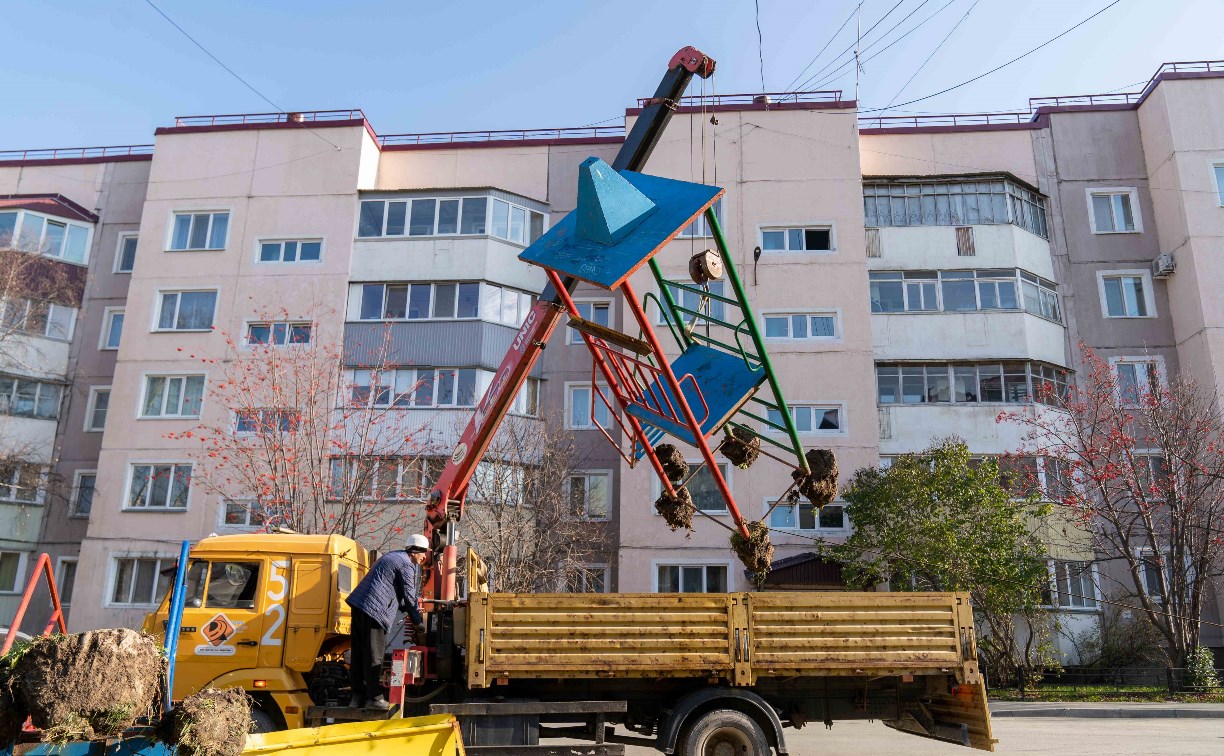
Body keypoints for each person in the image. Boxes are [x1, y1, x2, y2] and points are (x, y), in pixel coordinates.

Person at [344, 533, 430, 709]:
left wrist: (404, 608)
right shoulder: (407, 564)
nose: (424, 557)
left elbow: (391, 588)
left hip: (359, 606)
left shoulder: (393, 556)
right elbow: (409, 596)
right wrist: (418, 622)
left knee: (359, 654)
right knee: (374, 656)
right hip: (374, 611)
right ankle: (375, 699)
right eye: (424, 553)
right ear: (416, 551)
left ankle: (357, 698)